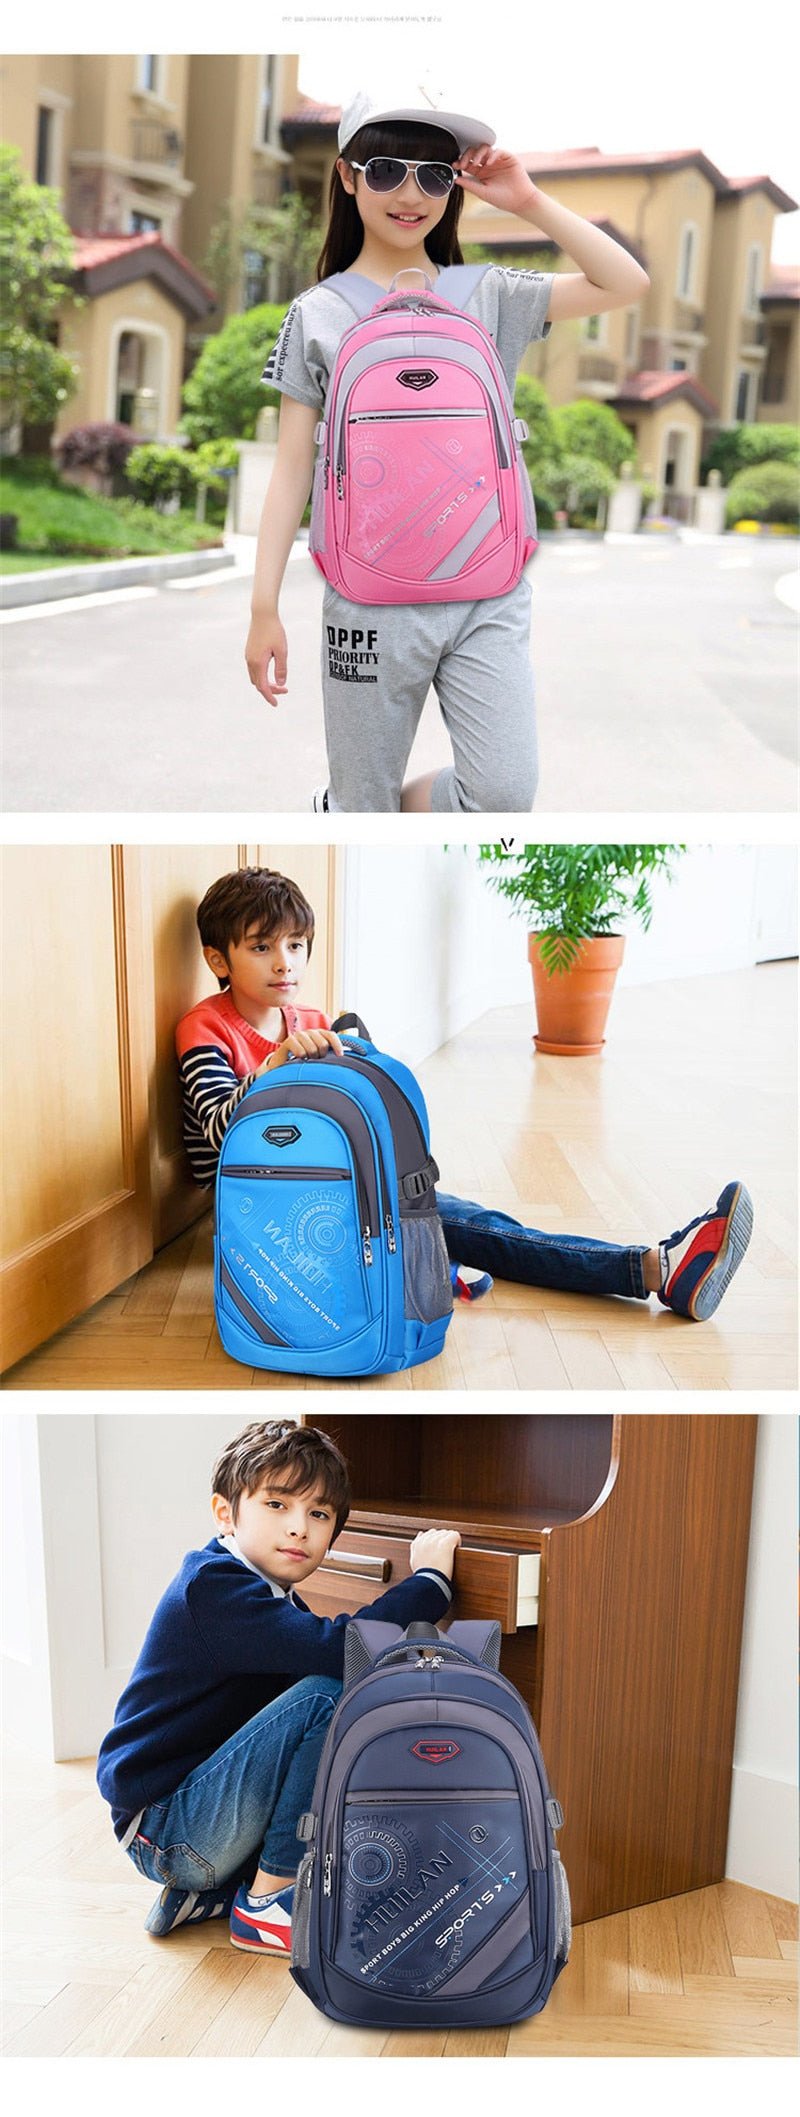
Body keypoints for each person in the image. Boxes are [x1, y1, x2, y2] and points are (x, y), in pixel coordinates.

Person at [244, 89, 650, 814]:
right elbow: (291, 472)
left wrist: (527, 202)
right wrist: (263, 608)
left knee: (503, 791)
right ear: (346, 176)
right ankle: (351, 810)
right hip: (365, 602)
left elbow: (626, 282)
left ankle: (382, 811)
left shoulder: (490, 293)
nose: (411, 194)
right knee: (359, 810)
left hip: (487, 594)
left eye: (434, 175)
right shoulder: (318, 311)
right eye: (387, 170)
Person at [176, 866, 753, 1324]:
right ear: (218, 959)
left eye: (297, 946)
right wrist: (277, 1065)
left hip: (340, 1198)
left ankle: (464, 1259)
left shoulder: (311, 1018)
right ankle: (655, 1269)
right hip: (269, 1218)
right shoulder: (206, 1028)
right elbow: (219, 1134)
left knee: (467, 1219)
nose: (285, 963)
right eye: (262, 948)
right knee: (468, 1226)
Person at [96, 1418, 460, 1952]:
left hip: (183, 1830)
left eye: (318, 1514)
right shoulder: (214, 1588)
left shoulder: (265, 1596)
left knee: (322, 1702)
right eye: (277, 1505)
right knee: (327, 1693)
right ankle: (269, 1902)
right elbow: (344, 1650)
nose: (299, 1528)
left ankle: (212, 1892)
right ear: (226, 1513)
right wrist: (429, 1582)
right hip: (169, 1829)